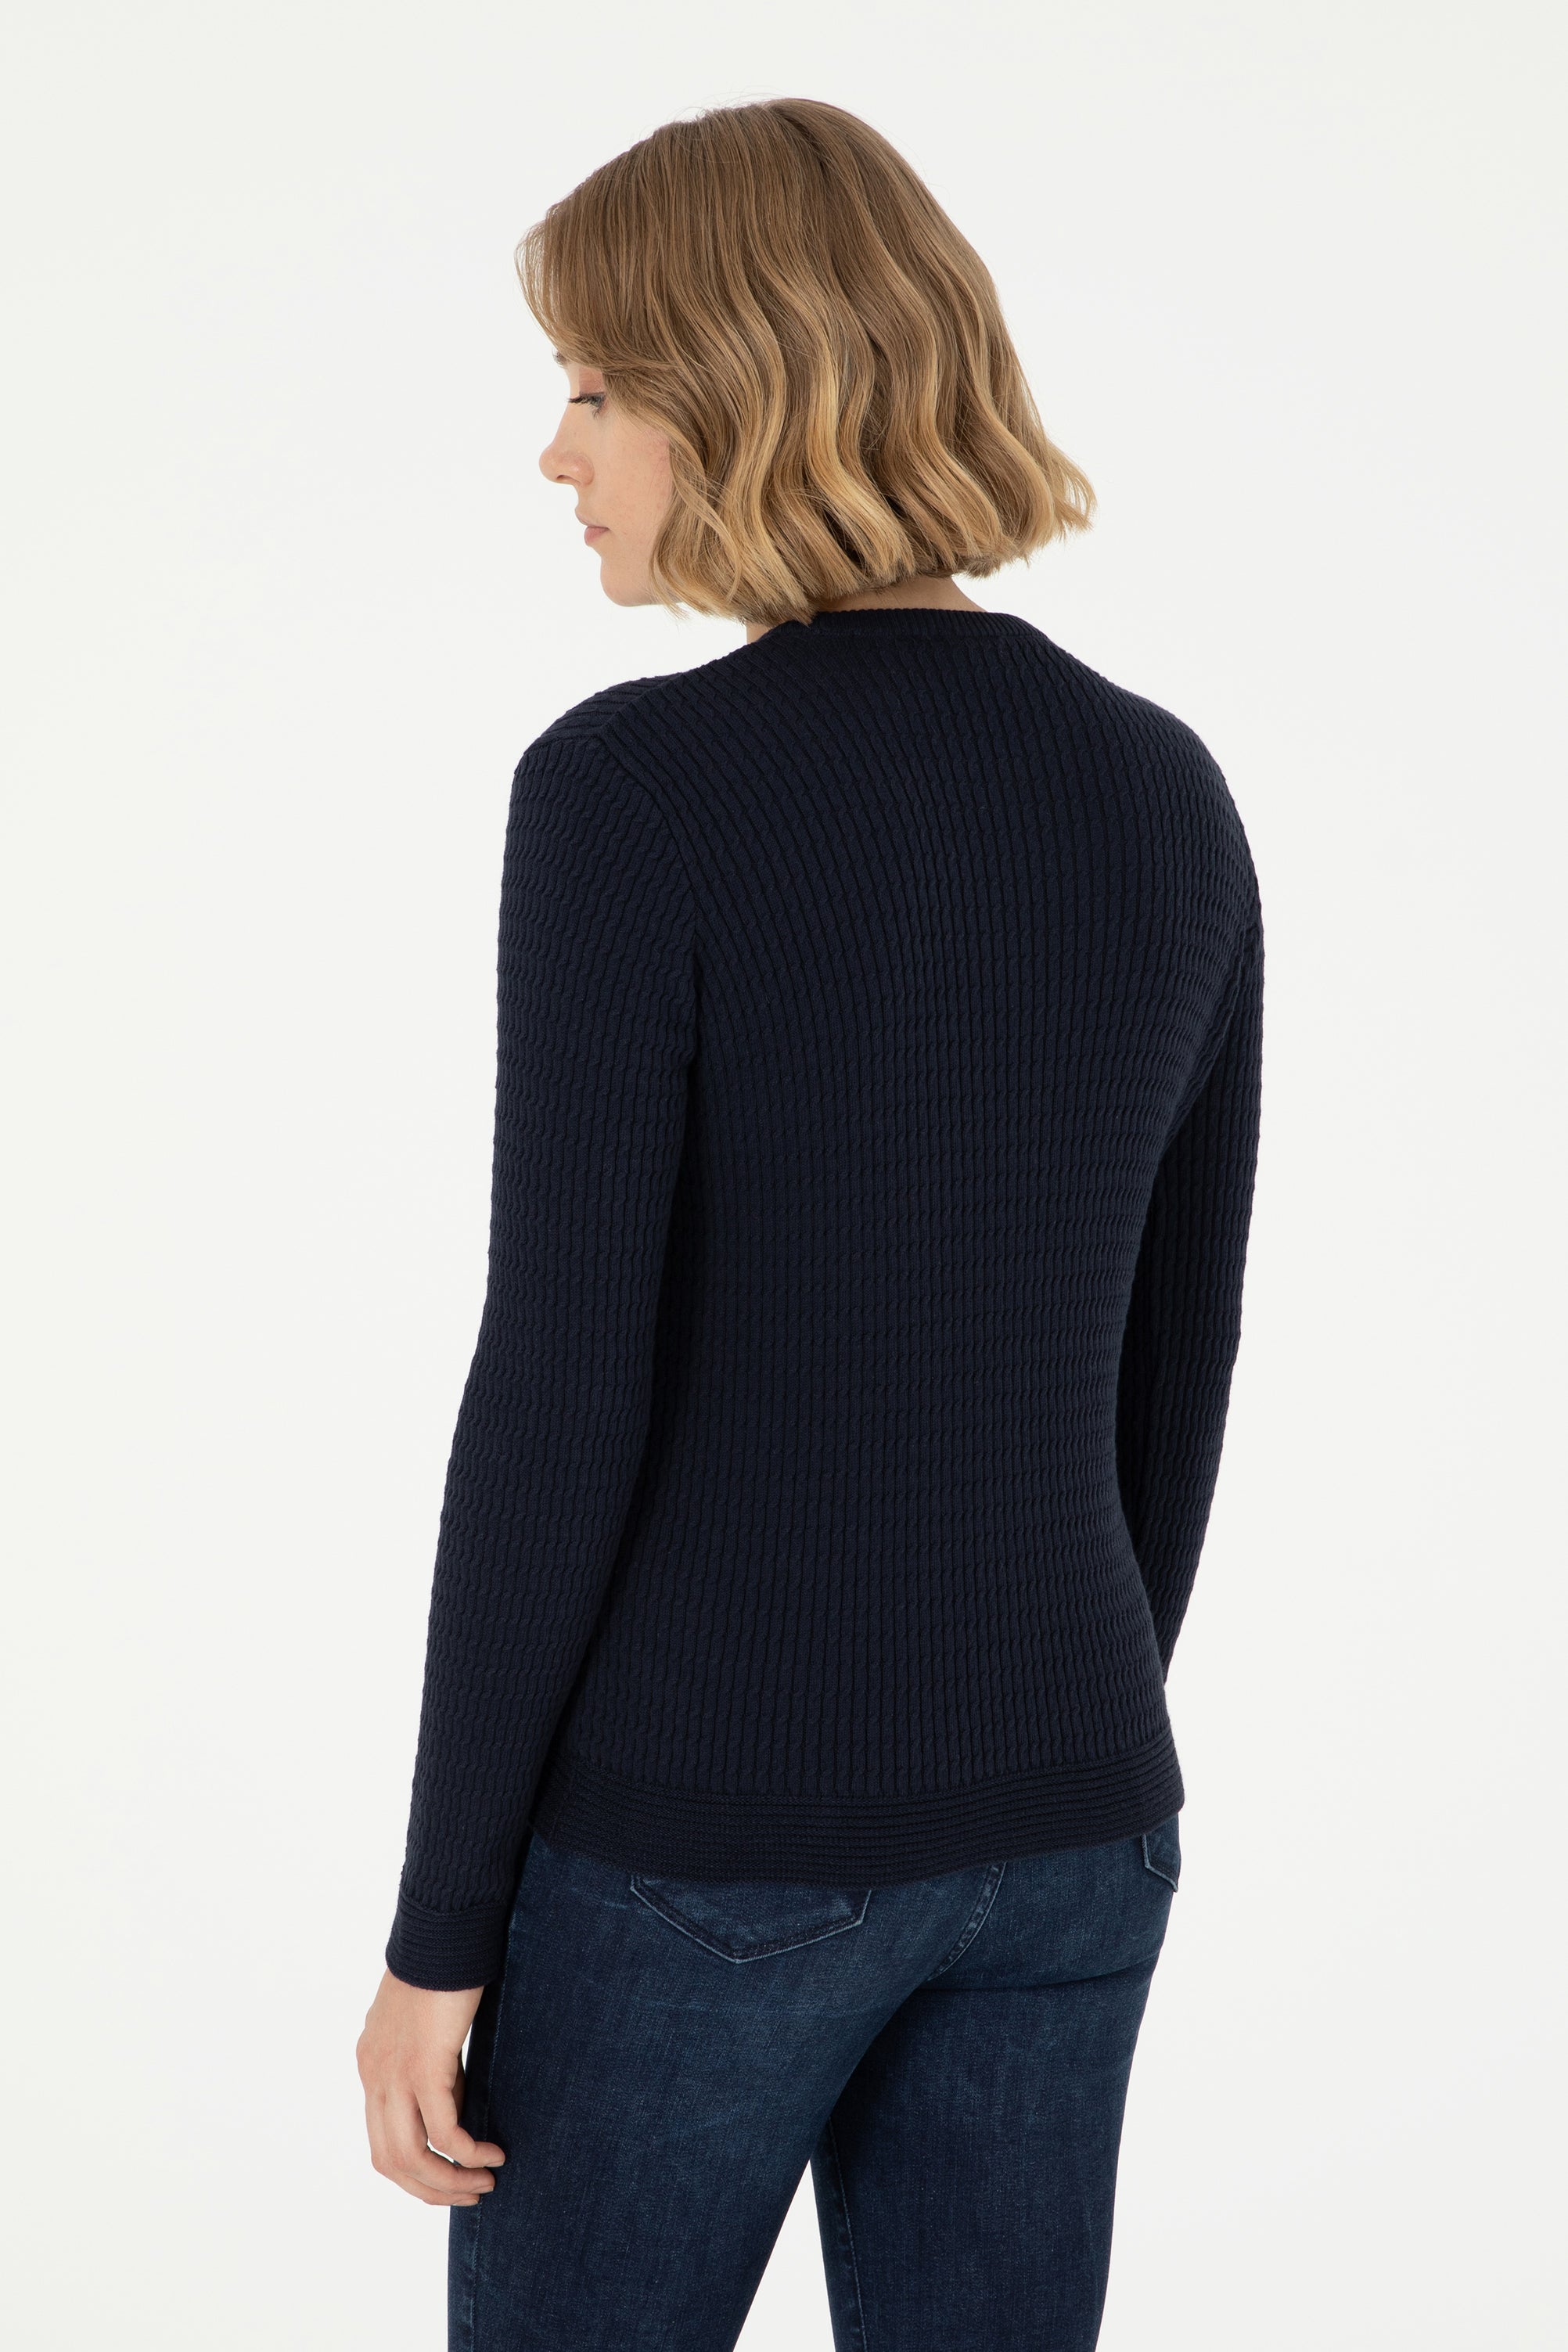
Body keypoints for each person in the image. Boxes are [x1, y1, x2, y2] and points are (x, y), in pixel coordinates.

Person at [356, 96, 1264, 2352]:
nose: (557, 455)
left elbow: (562, 1385)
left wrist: (439, 1933)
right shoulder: (1161, 787)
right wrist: (1039, 1752)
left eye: (593, 386)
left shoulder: (634, 793)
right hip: (1071, 1830)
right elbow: (1179, 1364)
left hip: (711, 1844)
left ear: (737, 383)